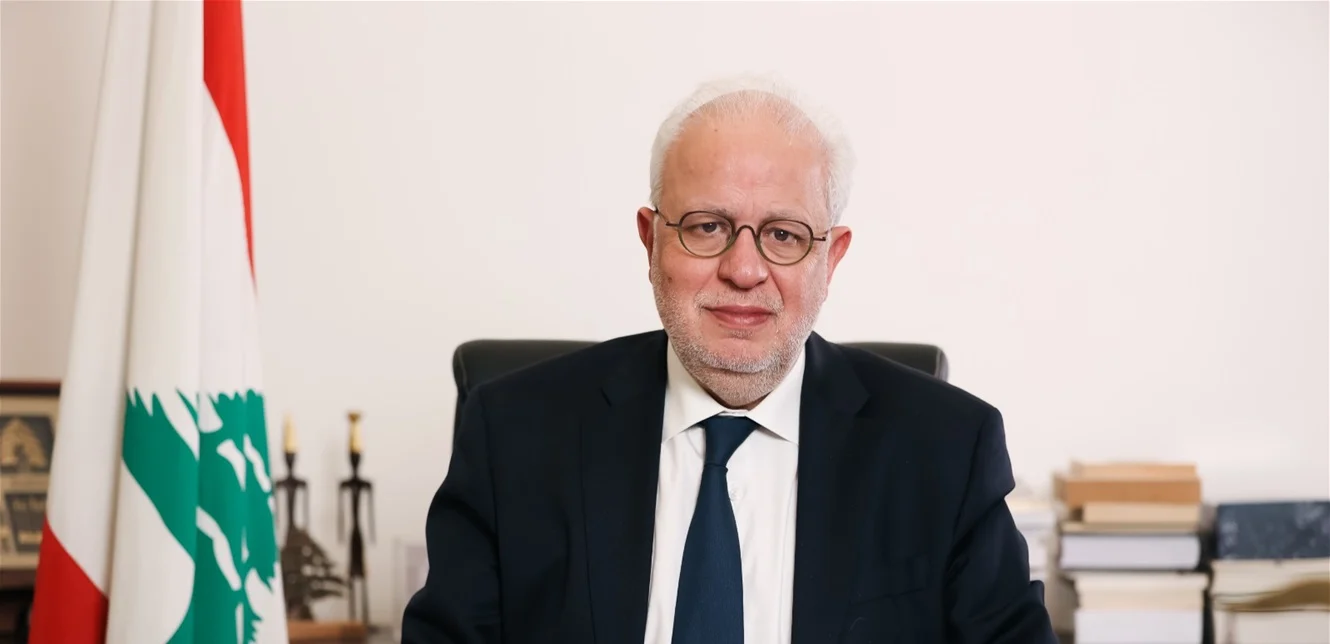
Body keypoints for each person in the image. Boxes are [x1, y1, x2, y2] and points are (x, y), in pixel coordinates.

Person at [401, 75, 1057, 644]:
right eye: (707, 227)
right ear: (651, 241)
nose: (744, 269)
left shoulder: (945, 449)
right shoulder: (513, 434)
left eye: (783, 235)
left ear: (831, 259)